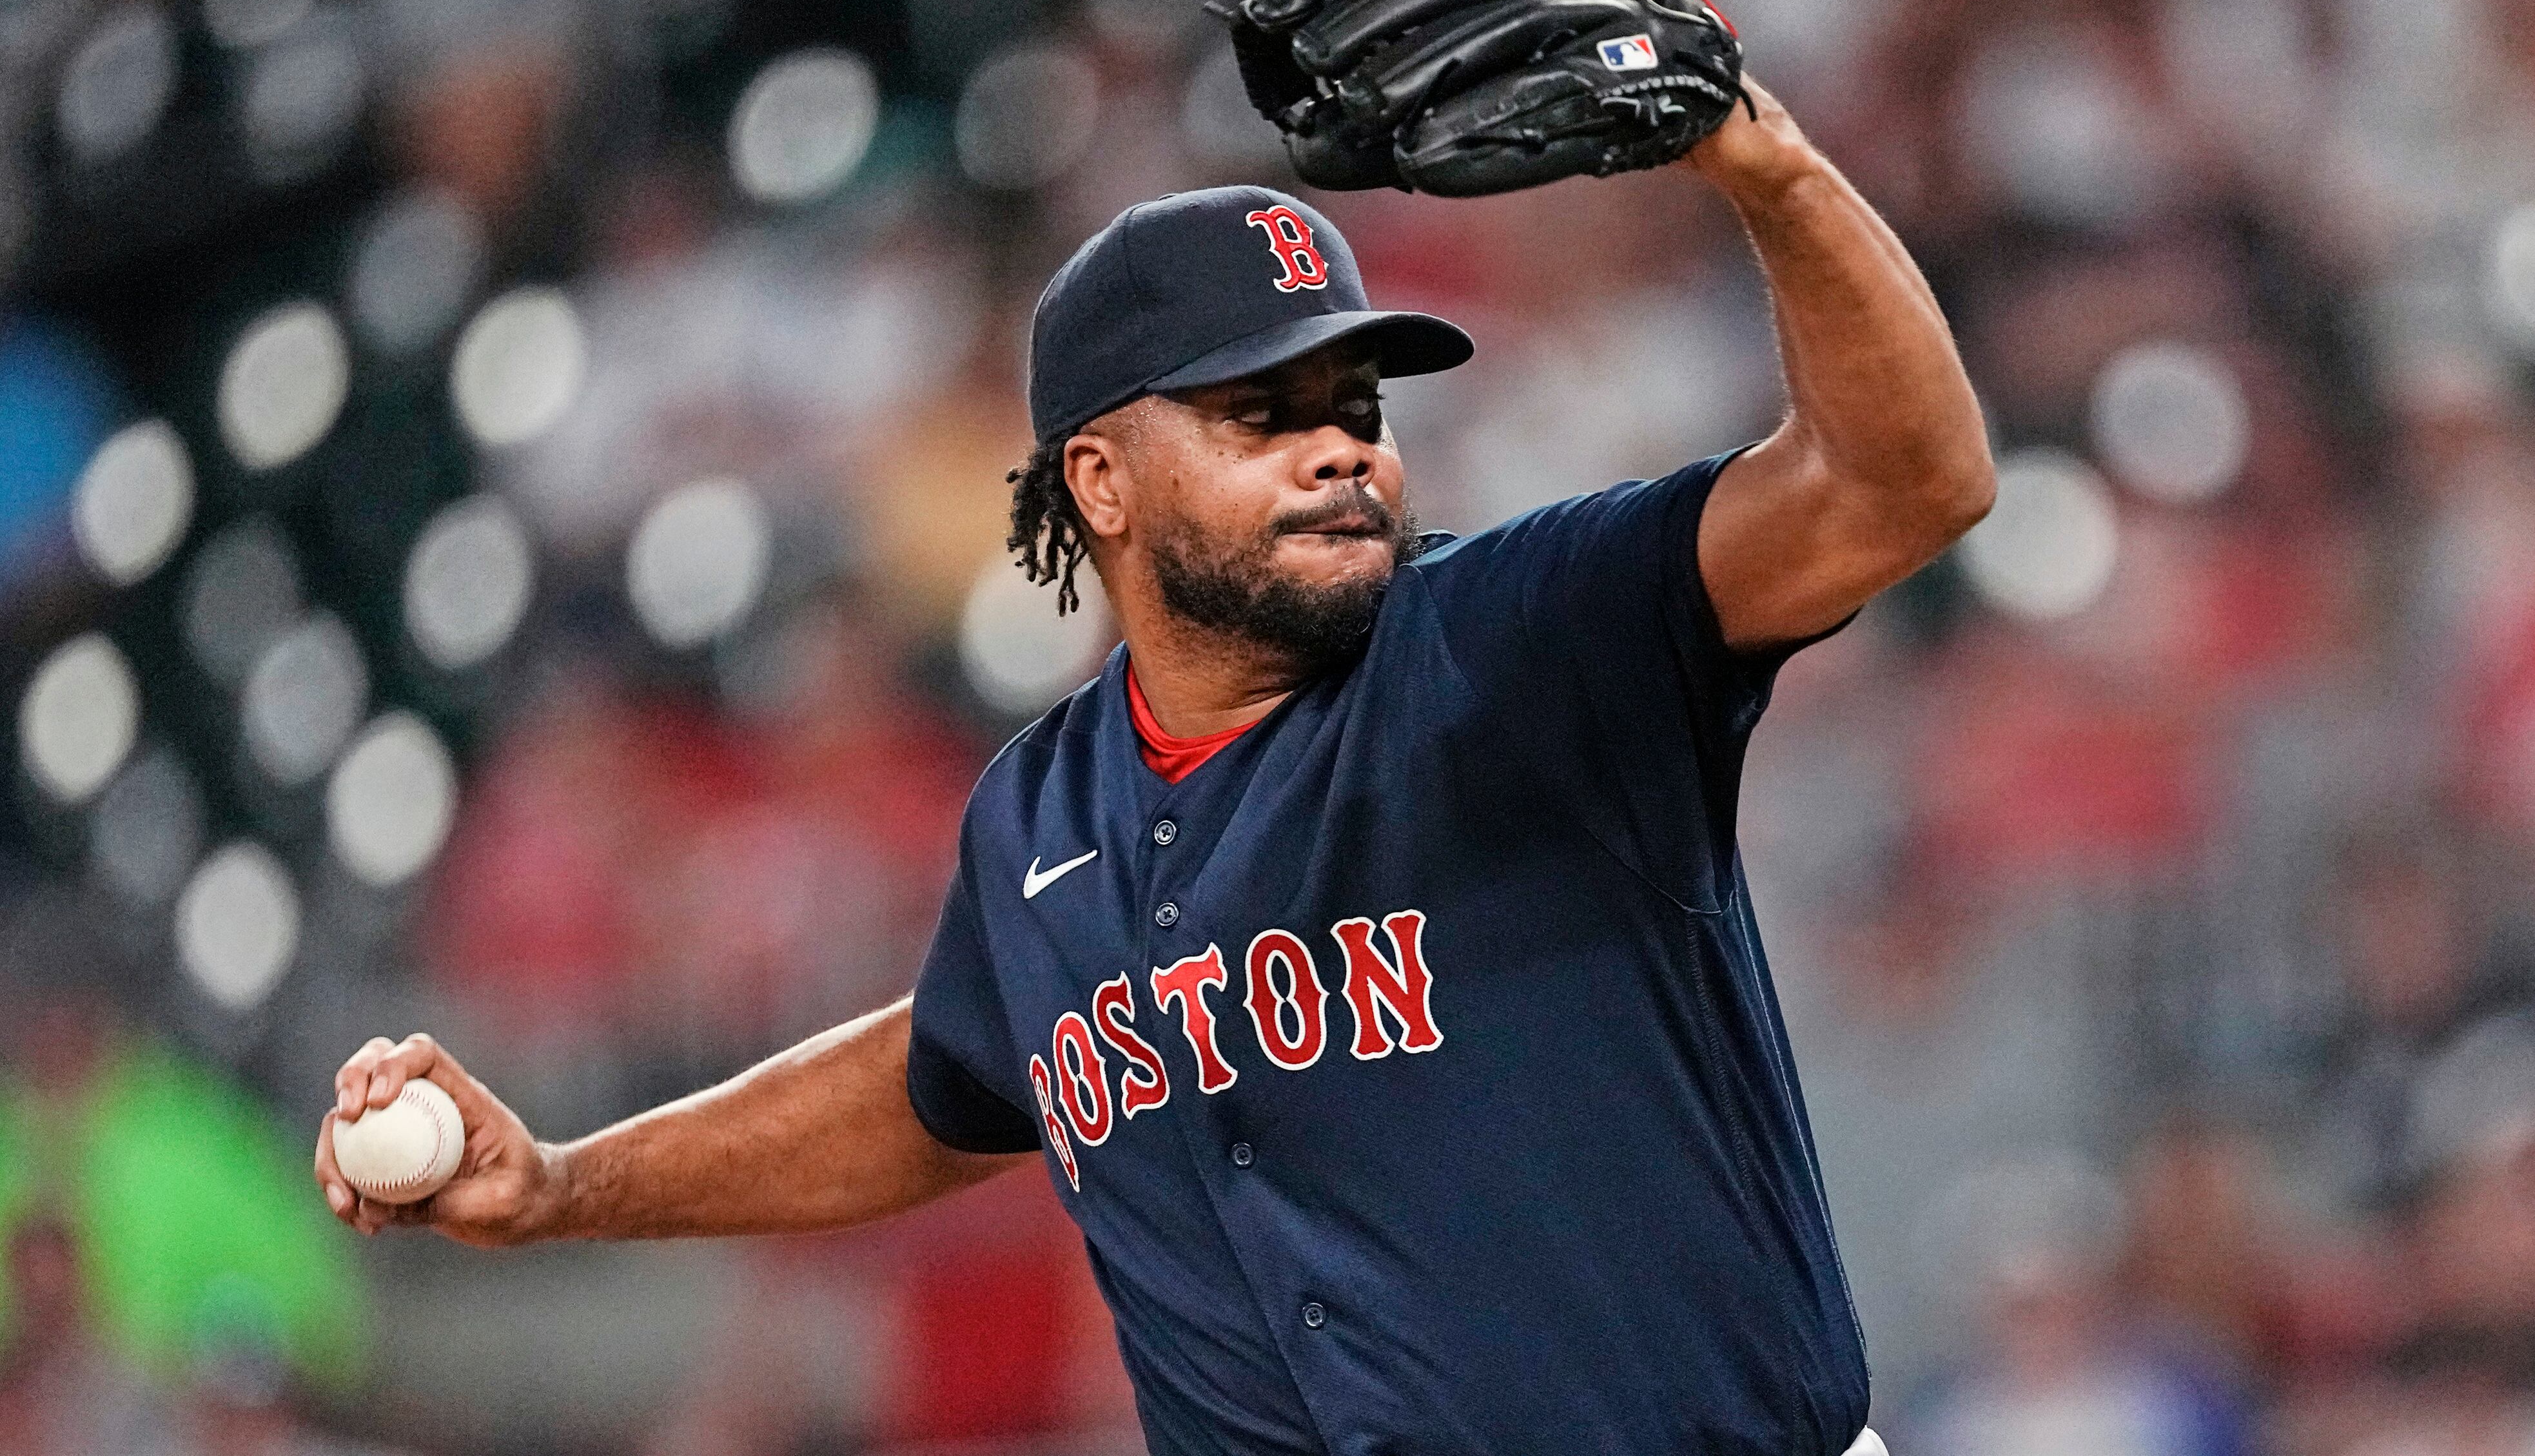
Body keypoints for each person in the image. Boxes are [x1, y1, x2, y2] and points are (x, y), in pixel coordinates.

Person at [316, 70, 1991, 1456]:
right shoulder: (1041, 814)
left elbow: (1903, 484)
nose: (1340, 447)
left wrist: (1762, 165)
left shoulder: (1526, 636)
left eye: (1358, 402)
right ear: (1100, 483)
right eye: (1263, 412)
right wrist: (564, 1184)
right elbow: (944, 1082)